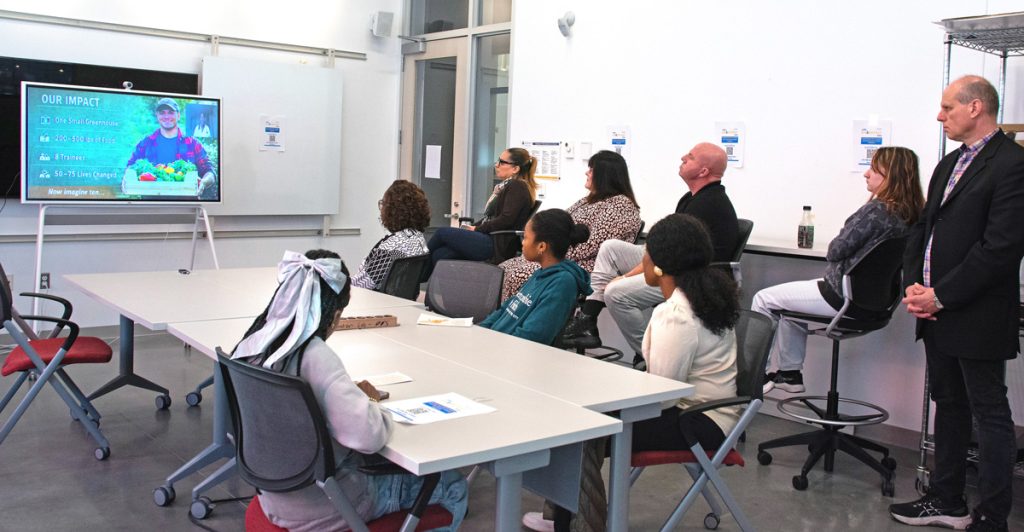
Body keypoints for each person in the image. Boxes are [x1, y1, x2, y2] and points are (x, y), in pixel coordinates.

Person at [524, 213, 741, 532]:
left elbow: (662, 397)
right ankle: (561, 516)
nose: (642, 261)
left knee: (582, 430)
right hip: (708, 413)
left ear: (660, 265)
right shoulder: (704, 297)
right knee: (583, 419)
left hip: (697, 422)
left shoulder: (675, 315)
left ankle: (578, 524)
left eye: (646, 253)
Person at [232, 249, 468, 532]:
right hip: (331, 504)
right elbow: (367, 437)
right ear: (334, 315)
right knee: (453, 485)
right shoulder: (315, 356)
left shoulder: (252, 345)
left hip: (273, 498)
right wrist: (370, 404)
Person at [889, 76, 1024, 532]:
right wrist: (914, 286)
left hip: (977, 313)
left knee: (989, 414)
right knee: (948, 402)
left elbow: (1000, 248)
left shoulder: (1013, 165)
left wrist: (941, 295)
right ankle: (946, 499)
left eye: (948, 107)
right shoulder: (949, 163)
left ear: (976, 107)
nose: (940, 115)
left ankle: (992, 517)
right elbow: (922, 229)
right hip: (936, 310)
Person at [753, 146, 924, 393]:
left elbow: (835, 250)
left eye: (874, 169)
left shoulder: (876, 210)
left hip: (841, 297)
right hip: (876, 305)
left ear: (891, 175)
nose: (866, 174)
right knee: (789, 308)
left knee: (763, 299)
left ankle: (755, 377)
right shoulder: (914, 214)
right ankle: (789, 374)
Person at [562, 142, 739, 367]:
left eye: (691, 157)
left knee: (616, 293)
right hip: (675, 262)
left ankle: (648, 355)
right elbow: (667, 248)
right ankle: (588, 318)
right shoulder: (691, 198)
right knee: (611, 247)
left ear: (703, 171)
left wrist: (624, 277)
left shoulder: (709, 204)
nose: (683, 157)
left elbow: (671, 256)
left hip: (690, 276)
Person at [498, 150, 641, 301]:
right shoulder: (589, 200)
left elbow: (590, 247)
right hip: (557, 258)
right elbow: (558, 224)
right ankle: (500, 315)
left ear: (604, 175)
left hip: (579, 268)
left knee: (516, 275)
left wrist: (546, 254)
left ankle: (516, 315)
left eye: (591, 170)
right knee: (502, 269)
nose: (586, 173)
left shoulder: (621, 206)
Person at [479, 209, 591, 346]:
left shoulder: (563, 283)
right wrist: (479, 332)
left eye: (526, 238)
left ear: (541, 246)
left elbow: (532, 338)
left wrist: (491, 345)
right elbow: (505, 310)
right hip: (494, 345)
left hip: (508, 352)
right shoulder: (541, 273)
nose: (522, 243)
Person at [427, 147, 537, 271]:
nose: (496, 165)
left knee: (442, 232)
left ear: (515, 169)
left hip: (495, 244)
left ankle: (417, 268)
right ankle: (423, 276)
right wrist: (473, 228)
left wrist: (478, 229)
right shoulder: (507, 187)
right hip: (490, 238)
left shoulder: (517, 186)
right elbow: (489, 218)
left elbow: (506, 219)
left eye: (502, 162)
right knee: (441, 254)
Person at [125, 97, 218, 199]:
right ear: (157, 116)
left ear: (178, 115)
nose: (166, 116)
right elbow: (130, 167)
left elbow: (210, 171)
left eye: (171, 112)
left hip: (186, 206)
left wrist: (204, 182)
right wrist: (126, 178)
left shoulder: (192, 143)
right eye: (162, 113)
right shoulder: (146, 143)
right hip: (151, 205)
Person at [352, 180, 430, 291]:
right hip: (401, 299)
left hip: (376, 299)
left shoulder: (392, 248)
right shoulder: (417, 237)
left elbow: (361, 285)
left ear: (392, 210)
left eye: (383, 204)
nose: (381, 209)